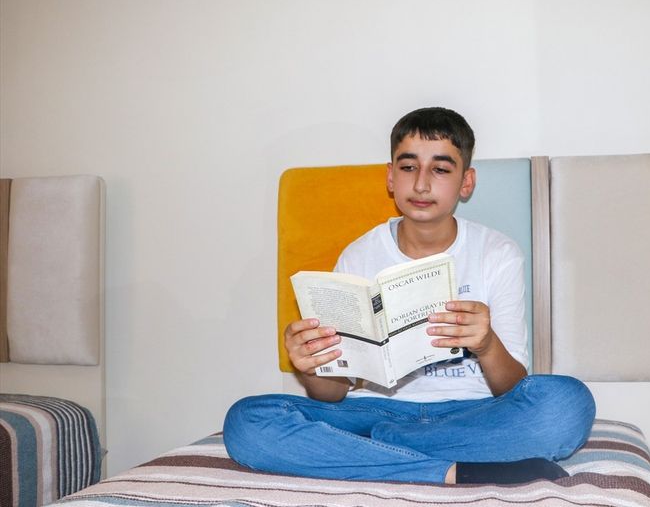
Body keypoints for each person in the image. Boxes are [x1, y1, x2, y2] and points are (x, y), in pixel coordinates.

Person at [223, 107, 595, 484]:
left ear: (466, 182)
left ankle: (379, 449)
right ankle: (447, 471)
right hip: (373, 411)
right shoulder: (359, 256)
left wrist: (486, 345)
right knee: (246, 421)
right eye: (408, 167)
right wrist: (312, 367)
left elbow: (513, 389)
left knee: (568, 404)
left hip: (473, 414)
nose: (420, 184)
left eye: (440, 169)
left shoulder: (497, 253)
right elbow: (330, 395)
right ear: (391, 177)